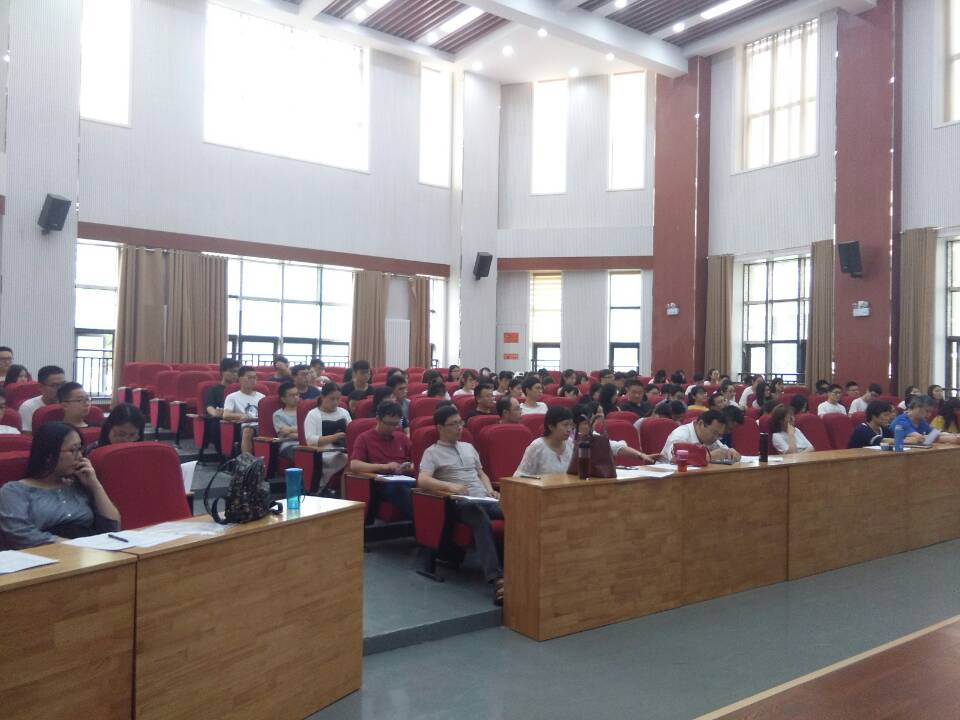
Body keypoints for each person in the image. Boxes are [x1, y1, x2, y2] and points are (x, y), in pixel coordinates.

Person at [417, 404, 503, 605]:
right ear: (440, 427)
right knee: (480, 518)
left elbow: (481, 473)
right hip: (458, 503)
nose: (459, 427)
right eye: (454, 424)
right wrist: (451, 486)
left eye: (460, 423)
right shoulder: (432, 452)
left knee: (516, 511)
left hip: (483, 497)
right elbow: (423, 480)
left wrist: (490, 489)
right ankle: (497, 579)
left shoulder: (468, 447)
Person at [0, 423, 120, 549]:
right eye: (73, 450)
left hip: (88, 550)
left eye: (80, 449)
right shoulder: (14, 491)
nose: (80, 456)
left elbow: (113, 526)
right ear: (49, 455)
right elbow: (20, 535)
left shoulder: (80, 484)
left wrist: (95, 485)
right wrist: (76, 546)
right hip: (46, 554)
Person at [348, 401, 414, 517]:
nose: (392, 428)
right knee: (401, 490)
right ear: (378, 419)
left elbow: (417, 460)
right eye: (388, 423)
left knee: (424, 490)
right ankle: (422, 524)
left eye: (395, 424)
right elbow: (354, 464)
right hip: (382, 484)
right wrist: (385, 467)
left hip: (406, 478)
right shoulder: (364, 438)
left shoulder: (401, 437)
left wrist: (409, 467)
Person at [304, 382, 352, 492]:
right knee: (347, 461)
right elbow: (310, 440)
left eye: (338, 399)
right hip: (324, 452)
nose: (335, 402)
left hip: (343, 449)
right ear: (322, 397)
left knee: (355, 460)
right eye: (332, 399)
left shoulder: (344, 412)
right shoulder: (313, 415)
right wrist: (334, 437)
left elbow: (352, 432)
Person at [660, 408, 741, 463]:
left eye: (719, 435)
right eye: (714, 433)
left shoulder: (711, 438)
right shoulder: (680, 435)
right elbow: (676, 460)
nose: (716, 438)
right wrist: (709, 456)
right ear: (701, 424)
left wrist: (730, 452)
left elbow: (723, 451)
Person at [222, 366, 264, 454]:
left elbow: (266, 416)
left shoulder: (262, 397)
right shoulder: (232, 397)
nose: (253, 380)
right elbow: (226, 415)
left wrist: (253, 418)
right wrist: (243, 416)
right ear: (240, 379)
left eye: (254, 377)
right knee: (248, 430)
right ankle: (247, 461)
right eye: (249, 377)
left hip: (261, 424)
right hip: (245, 426)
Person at [19, 365, 66, 432]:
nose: (60, 389)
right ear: (40, 387)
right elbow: (28, 436)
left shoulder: (71, 403)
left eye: (63, 384)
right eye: (55, 385)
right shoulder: (28, 407)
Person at [272, 382, 301, 462]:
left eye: (297, 394)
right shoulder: (278, 415)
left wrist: (290, 429)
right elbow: (288, 435)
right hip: (288, 445)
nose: (296, 397)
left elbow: (311, 430)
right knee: (303, 454)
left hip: (308, 443)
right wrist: (306, 434)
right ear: (283, 399)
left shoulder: (306, 411)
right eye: (292, 395)